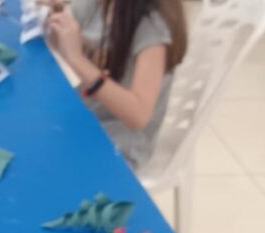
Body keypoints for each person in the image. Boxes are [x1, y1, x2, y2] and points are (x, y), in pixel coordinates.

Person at [46, 0, 187, 169]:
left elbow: (138, 115)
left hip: (120, 145)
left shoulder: (152, 26)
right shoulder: (99, 5)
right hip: (90, 116)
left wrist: (77, 59)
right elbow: (107, 63)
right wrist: (58, 27)